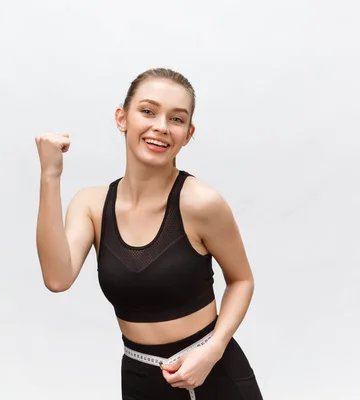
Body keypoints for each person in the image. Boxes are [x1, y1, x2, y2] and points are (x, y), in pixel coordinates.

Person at [35, 68, 264, 399]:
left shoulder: (200, 203)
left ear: (188, 134)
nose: (161, 127)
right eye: (148, 111)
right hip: (140, 380)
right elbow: (57, 278)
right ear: (121, 117)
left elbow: (242, 281)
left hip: (213, 374)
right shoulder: (91, 206)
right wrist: (50, 175)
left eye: (176, 119)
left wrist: (212, 352)